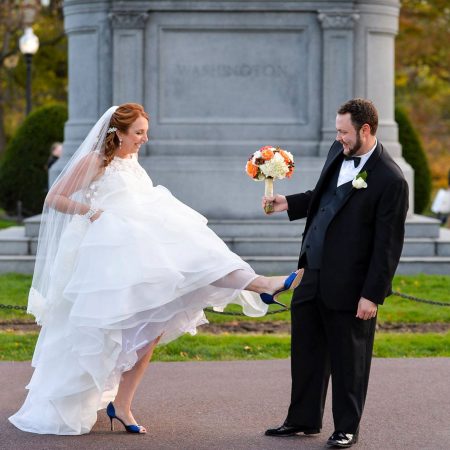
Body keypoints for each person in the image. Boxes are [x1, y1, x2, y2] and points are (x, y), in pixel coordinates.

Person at [9, 103, 301, 435]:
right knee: (102, 335)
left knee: (158, 316)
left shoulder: (132, 161)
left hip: (142, 247)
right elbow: (54, 198)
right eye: (138, 133)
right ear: (117, 134)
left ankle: (122, 404)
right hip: (109, 255)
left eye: (146, 132)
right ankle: (262, 284)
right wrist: (90, 212)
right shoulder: (95, 161)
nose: (145, 139)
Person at [263, 99, 409, 448]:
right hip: (311, 272)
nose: (338, 137)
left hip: (352, 285)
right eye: (337, 131)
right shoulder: (338, 150)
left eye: (344, 132)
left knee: (349, 361)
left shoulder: (391, 180)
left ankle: (346, 427)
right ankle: (302, 419)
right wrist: (290, 203)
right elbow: (326, 197)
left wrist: (372, 294)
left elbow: (388, 246)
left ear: (366, 130)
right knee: (306, 352)